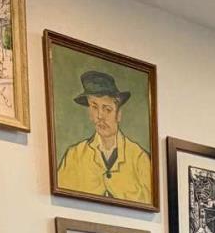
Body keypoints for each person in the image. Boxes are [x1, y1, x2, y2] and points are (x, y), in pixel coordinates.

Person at [55, 69, 152, 203]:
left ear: (118, 114)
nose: (100, 116)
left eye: (107, 109)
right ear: (89, 113)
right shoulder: (74, 156)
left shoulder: (139, 158)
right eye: (94, 108)